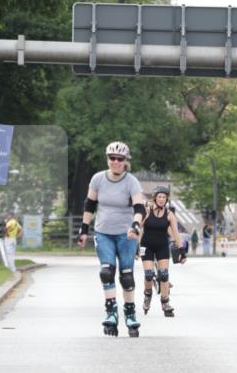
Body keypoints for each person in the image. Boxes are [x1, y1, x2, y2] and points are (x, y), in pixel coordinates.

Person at [77, 141, 146, 338]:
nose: (115, 162)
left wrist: (135, 224)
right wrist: (83, 230)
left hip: (127, 234)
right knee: (107, 272)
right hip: (103, 232)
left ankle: (130, 313)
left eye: (120, 159)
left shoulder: (131, 181)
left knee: (126, 275)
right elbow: (89, 204)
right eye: (112, 158)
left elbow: (139, 207)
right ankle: (111, 312)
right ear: (107, 159)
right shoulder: (98, 179)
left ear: (126, 161)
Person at [140, 185, 186, 318]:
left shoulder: (169, 214)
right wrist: (135, 247)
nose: (161, 199)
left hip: (162, 247)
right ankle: (147, 295)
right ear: (155, 198)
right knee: (148, 274)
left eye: (164, 197)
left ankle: (165, 302)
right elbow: (139, 229)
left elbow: (176, 234)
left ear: (167, 199)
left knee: (164, 275)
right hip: (146, 246)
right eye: (159, 197)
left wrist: (182, 250)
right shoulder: (147, 212)